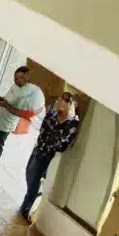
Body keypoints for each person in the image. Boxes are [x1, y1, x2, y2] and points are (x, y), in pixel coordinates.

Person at [20, 93, 79, 223]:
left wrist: (51, 141)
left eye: (63, 101)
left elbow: (64, 145)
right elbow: (43, 131)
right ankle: (33, 197)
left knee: (39, 180)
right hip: (38, 150)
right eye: (59, 99)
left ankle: (26, 207)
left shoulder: (73, 122)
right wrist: (51, 140)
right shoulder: (52, 113)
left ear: (71, 104)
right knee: (29, 175)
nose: (59, 102)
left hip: (51, 157)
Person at [0, 66, 45, 178]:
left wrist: (5, 105)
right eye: (15, 77)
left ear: (26, 77)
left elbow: (20, 113)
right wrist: (1, 100)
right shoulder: (15, 86)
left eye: (18, 78)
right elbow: (8, 99)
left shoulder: (29, 94)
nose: (15, 80)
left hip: (5, 124)